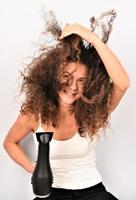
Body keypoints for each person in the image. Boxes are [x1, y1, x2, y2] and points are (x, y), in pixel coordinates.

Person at [3, 10, 130, 200]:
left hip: (93, 191)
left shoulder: (94, 110)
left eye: (82, 80)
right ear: (54, 76)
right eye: (67, 77)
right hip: (52, 192)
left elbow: (123, 83)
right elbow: (10, 142)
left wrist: (93, 39)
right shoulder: (34, 113)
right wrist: (32, 168)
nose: (73, 86)